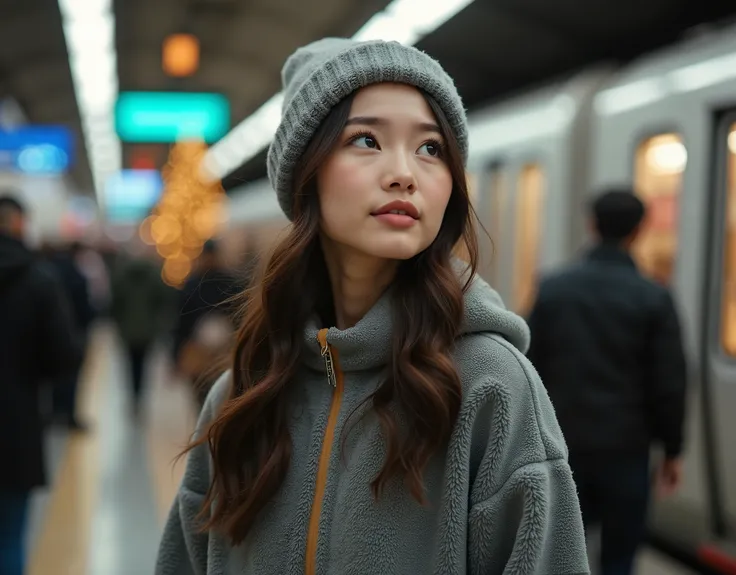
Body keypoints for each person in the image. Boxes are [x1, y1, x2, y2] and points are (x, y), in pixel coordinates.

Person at [156, 38, 589, 575]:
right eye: (366, 140)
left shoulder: (491, 386)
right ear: (305, 175)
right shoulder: (244, 393)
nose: (405, 172)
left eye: (431, 148)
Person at [526, 189, 687, 575]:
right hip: (627, 452)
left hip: (563, 445)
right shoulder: (653, 297)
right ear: (638, 232)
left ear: (592, 225)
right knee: (619, 558)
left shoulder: (554, 288)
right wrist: (672, 450)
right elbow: (668, 382)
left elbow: (529, 365)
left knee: (560, 554)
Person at [0, 194, 82, 575]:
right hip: (16, 425)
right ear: (19, 224)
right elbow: (64, 358)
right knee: (11, 536)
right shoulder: (39, 281)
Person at [172, 240, 240, 408]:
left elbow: (181, 320)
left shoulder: (192, 284)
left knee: (209, 393)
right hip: (215, 350)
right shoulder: (231, 282)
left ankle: (207, 425)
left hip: (209, 350)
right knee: (216, 392)